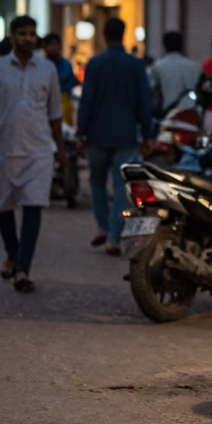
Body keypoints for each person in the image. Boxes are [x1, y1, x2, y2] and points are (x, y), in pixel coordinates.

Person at [0, 15, 65, 292]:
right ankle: (13, 252)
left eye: (32, 34)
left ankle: (23, 270)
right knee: (2, 207)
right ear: (12, 37)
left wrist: (62, 151)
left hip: (38, 151)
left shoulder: (47, 70)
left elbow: (55, 113)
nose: (28, 38)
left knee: (34, 207)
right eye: (22, 34)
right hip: (4, 148)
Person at [77, 17, 154, 255]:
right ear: (123, 34)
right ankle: (113, 236)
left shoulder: (95, 63)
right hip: (126, 134)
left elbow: (86, 101)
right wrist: (147, 134)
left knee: (97, 181)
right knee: (122, 186)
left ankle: (103, 225)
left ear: (103, 34)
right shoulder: (135, 65)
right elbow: (144, 102)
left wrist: (81, 133)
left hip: (97, 135)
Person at [148, 30, 201, 115]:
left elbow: (151, 90)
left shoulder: (157, 66)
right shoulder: (194, 66)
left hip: (169, 114)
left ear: (164, 45)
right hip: (192, 113)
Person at [40, 32, 78, 124]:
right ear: (44, 47)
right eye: (50, 44)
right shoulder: (40, 66)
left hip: (64, 108)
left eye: (56, 44)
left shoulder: (66, 65)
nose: (54, 47)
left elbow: (72, 83)